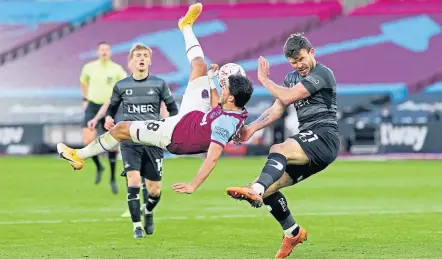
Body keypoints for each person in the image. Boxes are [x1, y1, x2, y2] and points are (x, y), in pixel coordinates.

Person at [56, 2, 253, 235]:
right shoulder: (234, 111)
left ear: (232, 97)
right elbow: (215, 108)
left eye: (226, 88)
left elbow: (211, 158)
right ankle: (186, 26)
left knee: (121, 129)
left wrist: (193, 185)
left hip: (173, 135)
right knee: (199, 65)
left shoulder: (225, 123)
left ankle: (78, 156)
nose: (223, 90)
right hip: (194, 115)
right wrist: (211, 81)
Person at [226, 33, 340, 259]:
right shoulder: (290, 78)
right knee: (270, 188)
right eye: (294, 62)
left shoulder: (322, 74)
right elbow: (277, 109)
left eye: (301, 59)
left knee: (278, 149)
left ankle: (254, 190)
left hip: (324, 136)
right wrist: (251, 129)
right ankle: (293, 232)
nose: (299, 65)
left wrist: (265, 80)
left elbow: (288, 97)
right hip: (309, 138)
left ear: (311, 52)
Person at [87, 43, 180, 238]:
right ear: (131, 61)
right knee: (134, 180)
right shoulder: (121, 85)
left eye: (145, 55)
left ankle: (148, 212)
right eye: (137, 55)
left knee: (154, 190)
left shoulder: (159, 84)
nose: (141, 58)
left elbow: (173, 110)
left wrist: (170, 126)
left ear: (150, 60)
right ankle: (136, 226)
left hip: (153, 141)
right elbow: (112, 108)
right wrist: (110, 119)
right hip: (129, 139)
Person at [80, 41, 127, 193]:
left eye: (107, 49)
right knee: (87, 141)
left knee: (112, 144)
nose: (104, 52)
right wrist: (85, 98)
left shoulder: (117, 69)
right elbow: (83, 82)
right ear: (97, 52)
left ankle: (112, 178)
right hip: (93, 106)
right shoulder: (89, 67)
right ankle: (99, 166)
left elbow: (124, 85)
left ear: (110, 52)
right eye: (101, 49)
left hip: (110, 107)